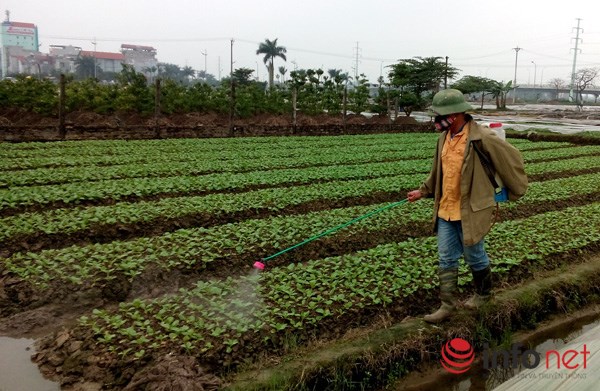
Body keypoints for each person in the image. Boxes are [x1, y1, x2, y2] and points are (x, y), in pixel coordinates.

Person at [407, 89, 528, 324]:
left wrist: (515, 189)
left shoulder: (482, 138)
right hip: (445, 208)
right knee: (446, 258)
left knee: (475, 255)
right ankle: (447, 305)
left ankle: (484, 295)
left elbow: (511, 159)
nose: (437, 120)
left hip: (472, 209)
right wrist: (422, 191)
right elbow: (438, 172)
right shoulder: (443, 138)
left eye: (441, 115)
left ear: (457, 114)